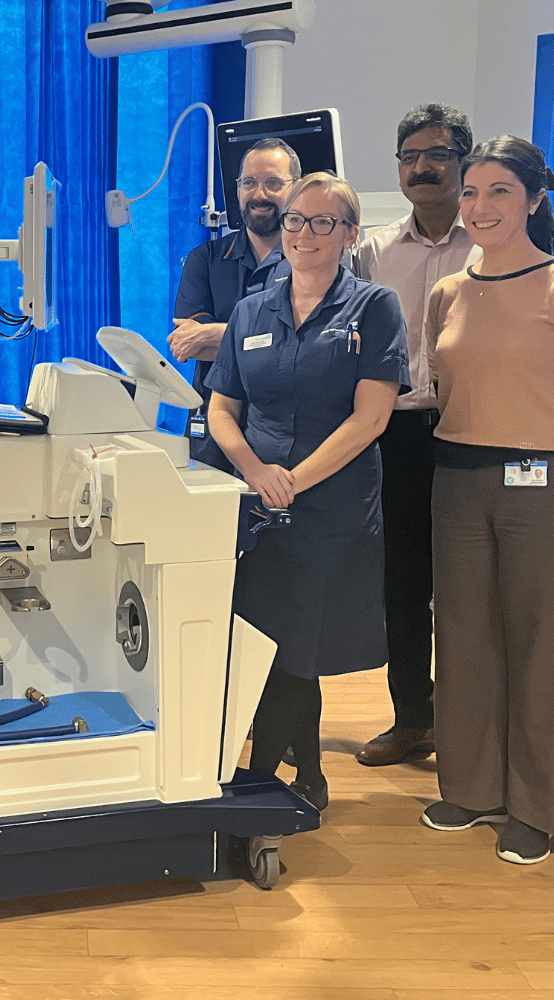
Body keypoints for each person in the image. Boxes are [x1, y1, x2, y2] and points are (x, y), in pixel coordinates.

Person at [421, 136, 554, 865]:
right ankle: (473, 787)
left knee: (545, 650)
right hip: (458, 481)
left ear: (534, 199)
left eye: (499, 192)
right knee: (464, 639)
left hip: (551, 483)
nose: (480, 207)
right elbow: (445, 391)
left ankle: (537, 809)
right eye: (471, 192)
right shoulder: (446, 291)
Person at [206, 173, 409, 811]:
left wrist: (293, 481)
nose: (304, 234)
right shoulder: (250, 310)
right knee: (266, 641)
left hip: (331, 509)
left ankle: (263, 783)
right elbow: (221, 408)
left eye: (324, 222)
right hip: (255, 503)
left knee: (300, 643)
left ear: (349, 234)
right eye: (296, 220)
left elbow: (370, 419)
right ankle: (309, 776)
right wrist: (254, 471)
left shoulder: (374, 308)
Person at [353, 104, 481, 768]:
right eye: (409, 157)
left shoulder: (493, 241)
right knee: (400, 588)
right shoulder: (373, 250)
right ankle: (413, 720)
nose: (422, 167)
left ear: (465, 159)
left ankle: (469, 731)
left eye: (436, 154)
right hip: (396, 436)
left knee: (466, 590)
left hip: (471, 435)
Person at [170, 138, 299, 472]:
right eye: (249, 183)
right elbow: (191, 344)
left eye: (273, 183)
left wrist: (219, 336)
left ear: (296, 189)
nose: (259, 194)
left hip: (282, 435)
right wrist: (270, 338)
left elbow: (301, 347)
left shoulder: (310, 264)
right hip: (211, 432)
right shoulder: (205, 259)